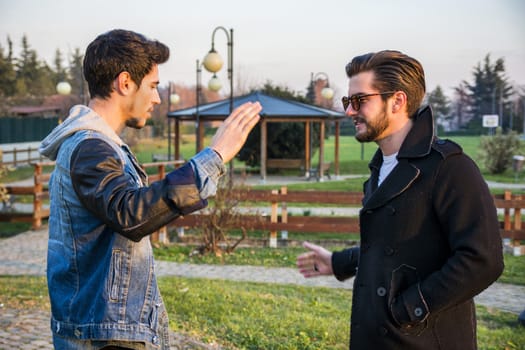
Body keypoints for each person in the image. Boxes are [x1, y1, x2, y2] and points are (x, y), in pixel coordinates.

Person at [39, 29, 261, 350]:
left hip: (105, 329)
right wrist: (213, 158)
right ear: (125, 82)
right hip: (102, 334)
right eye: (153, 86)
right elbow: (131, 213)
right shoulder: (90, 147)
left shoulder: (100, 145)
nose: (157, 98)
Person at [297, 50, 504, 350]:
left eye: (359, 101)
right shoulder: (380, 168)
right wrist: (338, 262)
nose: (349, 111)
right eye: (347, 101)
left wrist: (411, 307)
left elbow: (483, 259)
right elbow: (395, 246)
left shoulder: (449, 167)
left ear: (397, 101)